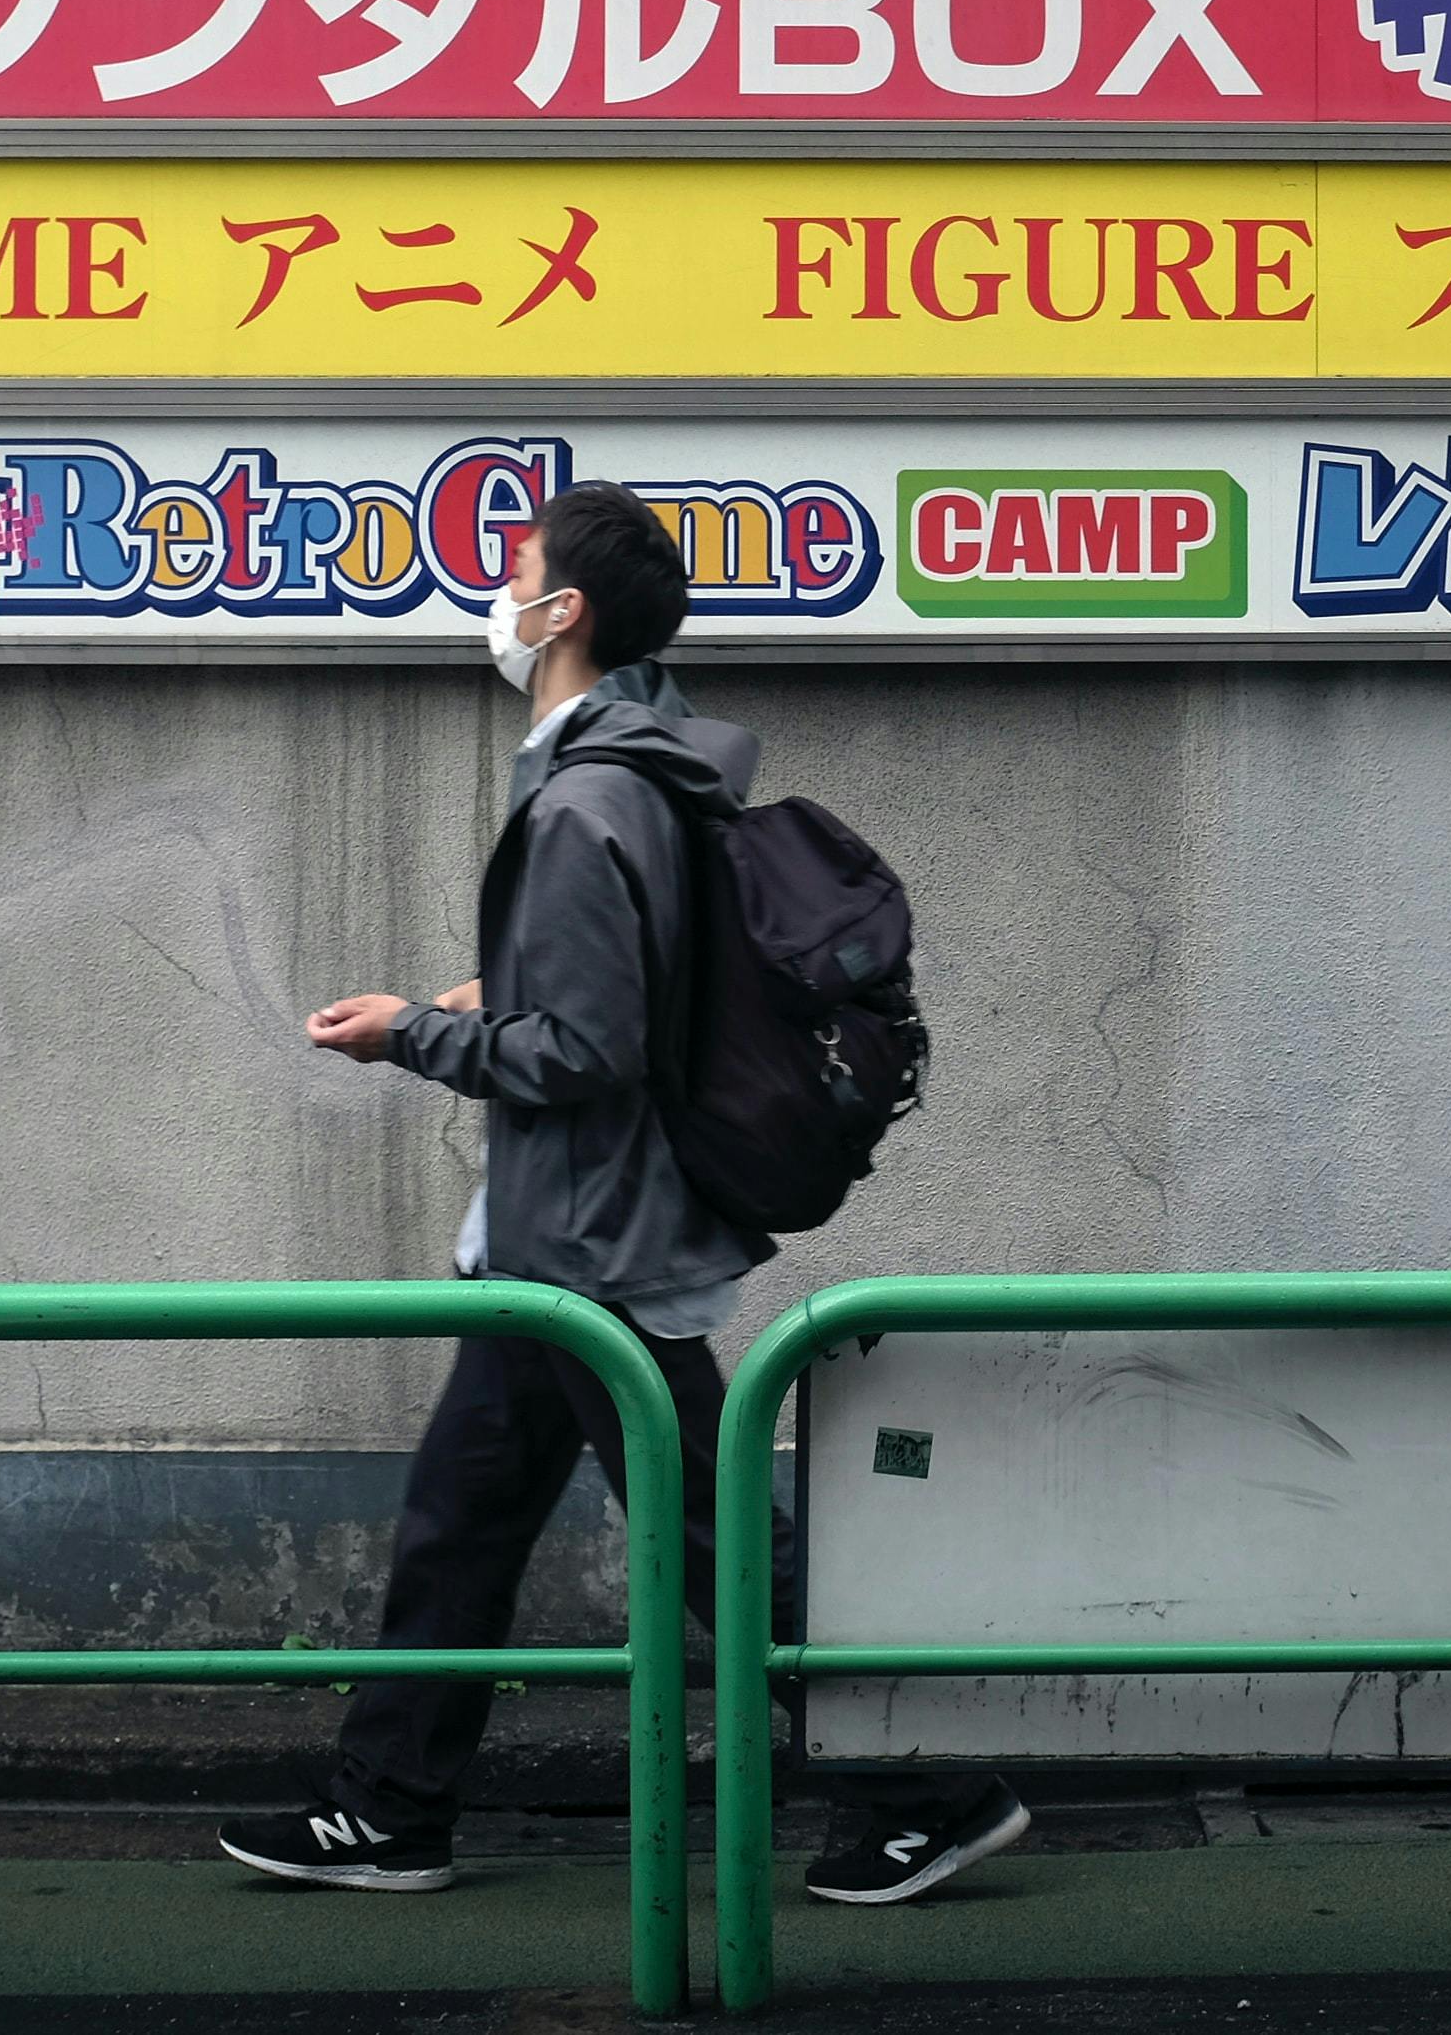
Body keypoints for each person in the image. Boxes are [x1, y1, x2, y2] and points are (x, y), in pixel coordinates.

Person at [219, 481, 1029, 1907]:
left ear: (562, 610)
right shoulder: (632, 767)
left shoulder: (591, 793)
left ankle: (928, 1788)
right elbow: (622, 997)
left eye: (512, 565)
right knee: (461, 1525)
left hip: (591, 1252)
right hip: (556, 1243)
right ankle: (390, 1804)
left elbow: (583, 1050)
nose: (494, 589)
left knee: (714, 1551)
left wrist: (412, 1026)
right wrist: (495, 989)